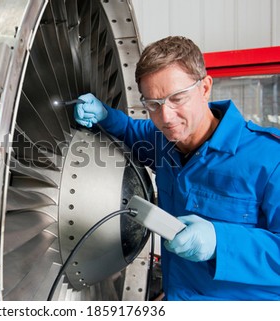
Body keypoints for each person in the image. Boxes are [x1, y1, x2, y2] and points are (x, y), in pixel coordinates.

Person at [74, 36, 280, 300]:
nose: (166, 117)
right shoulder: (163, 140)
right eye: (153, 105)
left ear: (205, 87)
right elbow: (129, 129)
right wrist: (104, 114)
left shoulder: (270, 158)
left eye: (177, 99)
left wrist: (221, 241)